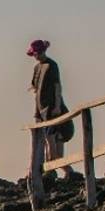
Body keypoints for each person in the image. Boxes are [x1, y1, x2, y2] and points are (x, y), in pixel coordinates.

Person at [28, 39, 73, 168]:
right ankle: (62, 171)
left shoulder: (51, 65)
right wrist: (36, 112)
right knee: (49, 142)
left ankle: (62, 171)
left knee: (52, 140)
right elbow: (35, 90)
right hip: (41, 110)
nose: (36, 55)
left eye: (38, 52)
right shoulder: (37, 67)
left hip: (52, 108)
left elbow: (57, 86)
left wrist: (57, 106)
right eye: (35, 53)